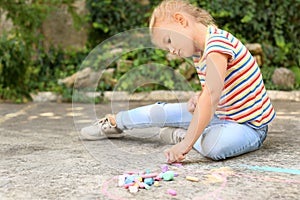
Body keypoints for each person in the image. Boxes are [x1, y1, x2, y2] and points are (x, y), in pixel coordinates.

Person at [80, 0, 276, 163]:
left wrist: (185, 144)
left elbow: (213, 95)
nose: (171, 51)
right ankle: (115, 122)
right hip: (220, 115)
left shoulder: (217, 45)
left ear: (181, 20)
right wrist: (199, 97)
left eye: (169, 41)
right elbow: (216, 89)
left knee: (214, 147)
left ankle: (181, 136)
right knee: (161, 111)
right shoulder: (200, 52)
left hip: (248, 127)